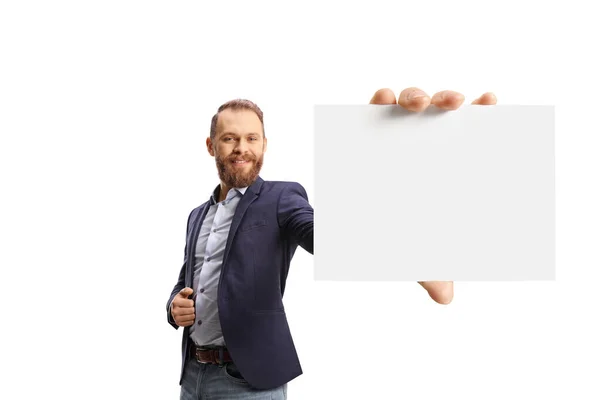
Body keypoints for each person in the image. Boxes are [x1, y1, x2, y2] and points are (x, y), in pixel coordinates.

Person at [167, 87, 497, 399]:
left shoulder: (281, 198)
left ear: (264, 144)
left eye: (251, 138)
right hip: (193, 374)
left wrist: (397, 224)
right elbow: (185, 281)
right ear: (211, 146)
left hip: (247, 381)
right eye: (229, 139)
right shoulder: (197, 215)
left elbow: (328, 237)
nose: (242, 147)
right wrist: (173, 307)